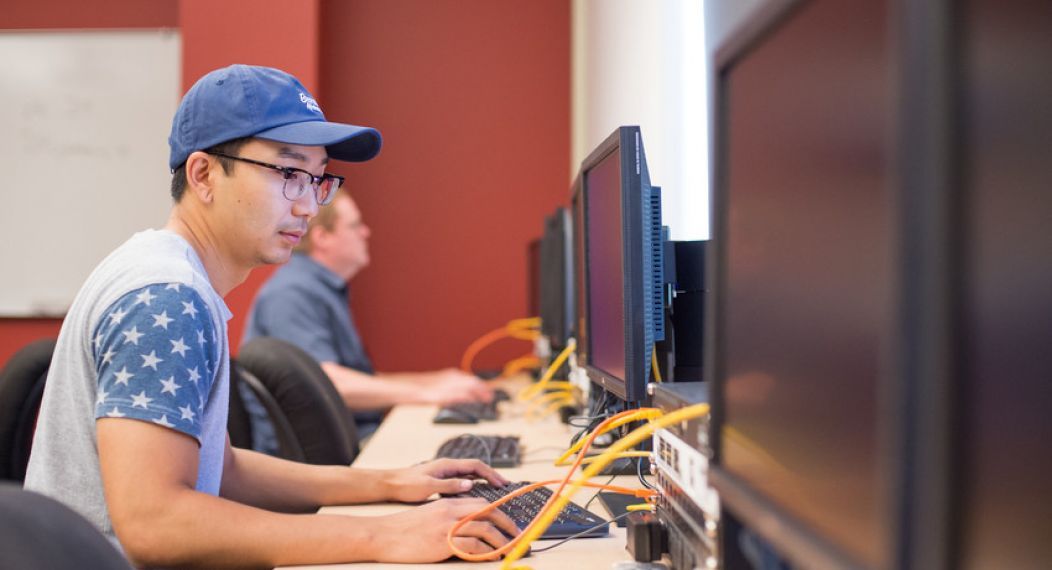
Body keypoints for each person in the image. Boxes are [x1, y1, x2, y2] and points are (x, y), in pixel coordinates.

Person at [23, 64, 517, 568]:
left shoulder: (173, 274)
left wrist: (388, 482)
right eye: (288, 173)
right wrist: (380, 536)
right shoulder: (167, 298)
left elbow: (224, 468)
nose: (307, 205)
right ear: (204, 175)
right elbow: (156, 521)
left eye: (318, 178)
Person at [242, 190, 492, 442]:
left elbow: (355, 379)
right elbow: (327, 384)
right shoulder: (292, 292)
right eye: (355, 225)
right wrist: (427, 393)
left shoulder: (319, 287)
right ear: (322, 237)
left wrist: (431, 382)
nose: (365, 232)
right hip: (317, 460)